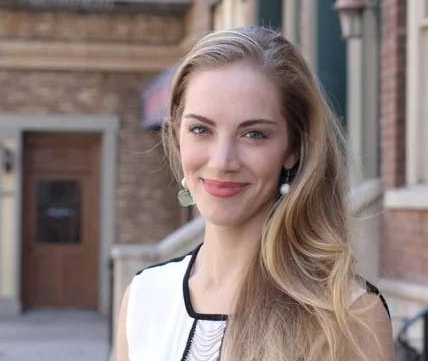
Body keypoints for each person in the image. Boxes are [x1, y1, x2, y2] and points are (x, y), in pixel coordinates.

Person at [116, 26, 395, 361]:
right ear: (178, 137)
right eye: (201, 129)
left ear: (293, 148)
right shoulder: (144, 299)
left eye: (254, 134)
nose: (222, 162)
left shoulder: (349, 315)